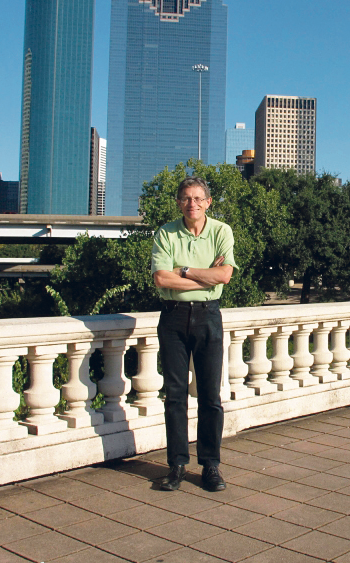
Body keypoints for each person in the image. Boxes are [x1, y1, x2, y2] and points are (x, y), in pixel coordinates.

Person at [151, 176, 237, 492]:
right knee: (174, 395)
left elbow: (224, 275)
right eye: (186, 198)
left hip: (208, 317)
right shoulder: (166, 233)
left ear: (208, 202)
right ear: (178, 202)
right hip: (173, 319)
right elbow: (161, 279)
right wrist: (205, 278)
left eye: (198, 198)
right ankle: (176, 465)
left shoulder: (221, 232)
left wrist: (183, 270)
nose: (192, 204)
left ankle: (210, 466)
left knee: (210, 397)